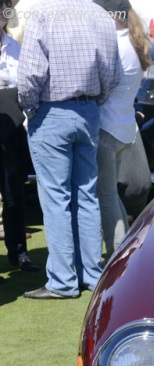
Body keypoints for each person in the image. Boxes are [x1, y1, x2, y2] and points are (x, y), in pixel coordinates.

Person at [17, 0, 120, 299]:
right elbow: (112, 74)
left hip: (51, 111)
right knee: (86, 195)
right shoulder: (100, 14)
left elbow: (30, 74)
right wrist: (93, 103)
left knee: (55, 198)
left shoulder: (42, 12)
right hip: (88, 110)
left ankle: (62, 280)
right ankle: (91, 274)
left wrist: (31, 108)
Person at [96, 0, 150, 256]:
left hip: (108, 129)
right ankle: (124, 245)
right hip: (123, 127)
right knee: (109, 195)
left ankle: (120, 251)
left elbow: (99, 88)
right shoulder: (133, 42)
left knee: (105, 196)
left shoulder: (115, 45)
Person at [0, 0, 37, 273]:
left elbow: (24, 88)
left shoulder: (15, 48)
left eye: (5, 5)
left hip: (12, 132)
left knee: (14, 195)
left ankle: (18, 253)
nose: (3, 10)